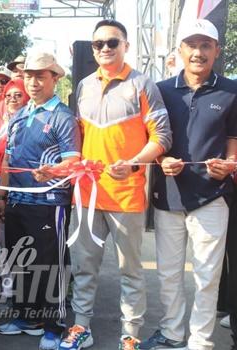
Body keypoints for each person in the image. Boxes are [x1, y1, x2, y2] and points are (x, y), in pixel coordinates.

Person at [60, 19, 172, 350]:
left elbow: (162, 136)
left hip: (127, 197)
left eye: (112, 42)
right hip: (87, 195)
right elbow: (76, 140)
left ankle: (131, 334)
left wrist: (135, 162)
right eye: (99, 44)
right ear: (92, 49)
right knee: (84, 269)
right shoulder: (83, 86)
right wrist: (61, 167)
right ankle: (81, 327)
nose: (105, 49)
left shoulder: (143, 85)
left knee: (131, 272)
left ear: (126, 45)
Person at [140, 19, 237, 350]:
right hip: (168, 197)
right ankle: (172, 332)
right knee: (168, 274)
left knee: (207, 277)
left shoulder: (231, 90)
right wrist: (160, 160)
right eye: (192, 46)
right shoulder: (160, 90)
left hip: (212, 196)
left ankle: (201, 341)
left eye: (206, 46)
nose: (198, 52)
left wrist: (230, 164)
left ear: (216, 51)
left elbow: (232, 137)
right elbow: (151, 138)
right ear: (179, 51)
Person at [0, 52, 80, 350]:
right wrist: (2, 195)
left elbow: (73, 162)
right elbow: (8, 158)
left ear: (55, 78)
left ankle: (54, 326)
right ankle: (26, 317)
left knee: (50, 265)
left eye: (40, 76)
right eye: (29, 75)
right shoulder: (18, 115)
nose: (33, 82)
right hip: (16, 202)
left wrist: (52, 171)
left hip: (49, 203)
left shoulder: (63, 116)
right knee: (20, 262)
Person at [0, 78, 30, 304]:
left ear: (26, 97)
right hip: (3, 196)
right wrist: (1, 183)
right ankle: (8, 290)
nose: (12, 99)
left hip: (31, 195)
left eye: (17, 95)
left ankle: (29, 295)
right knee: (5, 244)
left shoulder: (34, 123)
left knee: (28, 244)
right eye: (8, 95)